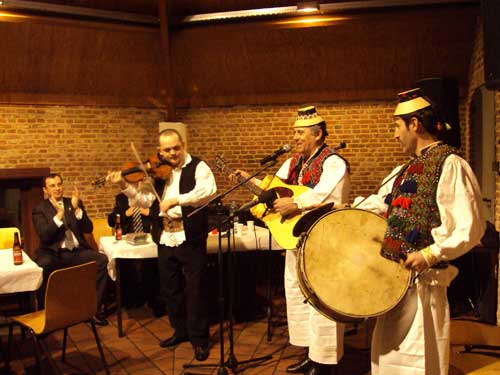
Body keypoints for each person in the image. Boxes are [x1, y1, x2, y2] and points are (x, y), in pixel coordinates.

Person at [354, 88, 486, 375]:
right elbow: (384, 203)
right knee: (389, 360)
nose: (394, 134)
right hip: (394, 284)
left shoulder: (450, 164)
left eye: (396, 126)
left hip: (426, 284)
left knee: (418, 360)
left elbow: (471, 226)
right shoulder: (405, 169)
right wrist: (345, 210)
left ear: (414, 124)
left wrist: (430, 254)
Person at [231, 106, 351, 375]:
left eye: (300, 133)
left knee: (322, 298)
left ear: (318, 134)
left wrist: (295, 203)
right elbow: (273, 189)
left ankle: (326, 363)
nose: (295, 137)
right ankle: (311, 354)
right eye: (294, 132)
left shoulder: (333, 162)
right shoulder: (292, 162)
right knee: (298, 295)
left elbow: (325, 194)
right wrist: (249, 183)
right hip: (296, 239)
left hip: (324, 238)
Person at [109, 128, 217, 362]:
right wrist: (125, 187)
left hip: (190, 238)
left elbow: (208, 191)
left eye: (176, 147)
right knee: (170, 289)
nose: (172, 153)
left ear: (184, 144)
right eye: (167, 150)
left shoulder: (198, 166)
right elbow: (145, 200)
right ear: (160, 151)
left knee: (195, 290)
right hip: (165, 237)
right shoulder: (157, 174)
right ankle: (181, 331)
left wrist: (176, 199)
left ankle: (199, 340)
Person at [32, 173, 109, 326]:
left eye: (59, 184)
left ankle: (92, 310)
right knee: (43, 266)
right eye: (52, 186)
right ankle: (43, 314)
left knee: (101, 260)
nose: (57, 188)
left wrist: (76, 210)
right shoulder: (39, 208)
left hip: (76, 252)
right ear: (45, 190)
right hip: (53, 252)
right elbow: (45, 236)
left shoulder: (72, 202)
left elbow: (88, 228)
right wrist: (59, 216)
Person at [107, 190, 165, 315]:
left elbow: (163, 215)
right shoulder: (121, 198)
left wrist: (148, 212)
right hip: (130, 240)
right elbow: (112, 220)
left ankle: (155, 300)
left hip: (150, 238)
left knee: (152, 264)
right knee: (125, 264)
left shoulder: (152, 196)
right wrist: (125, 214)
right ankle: (131, 299)